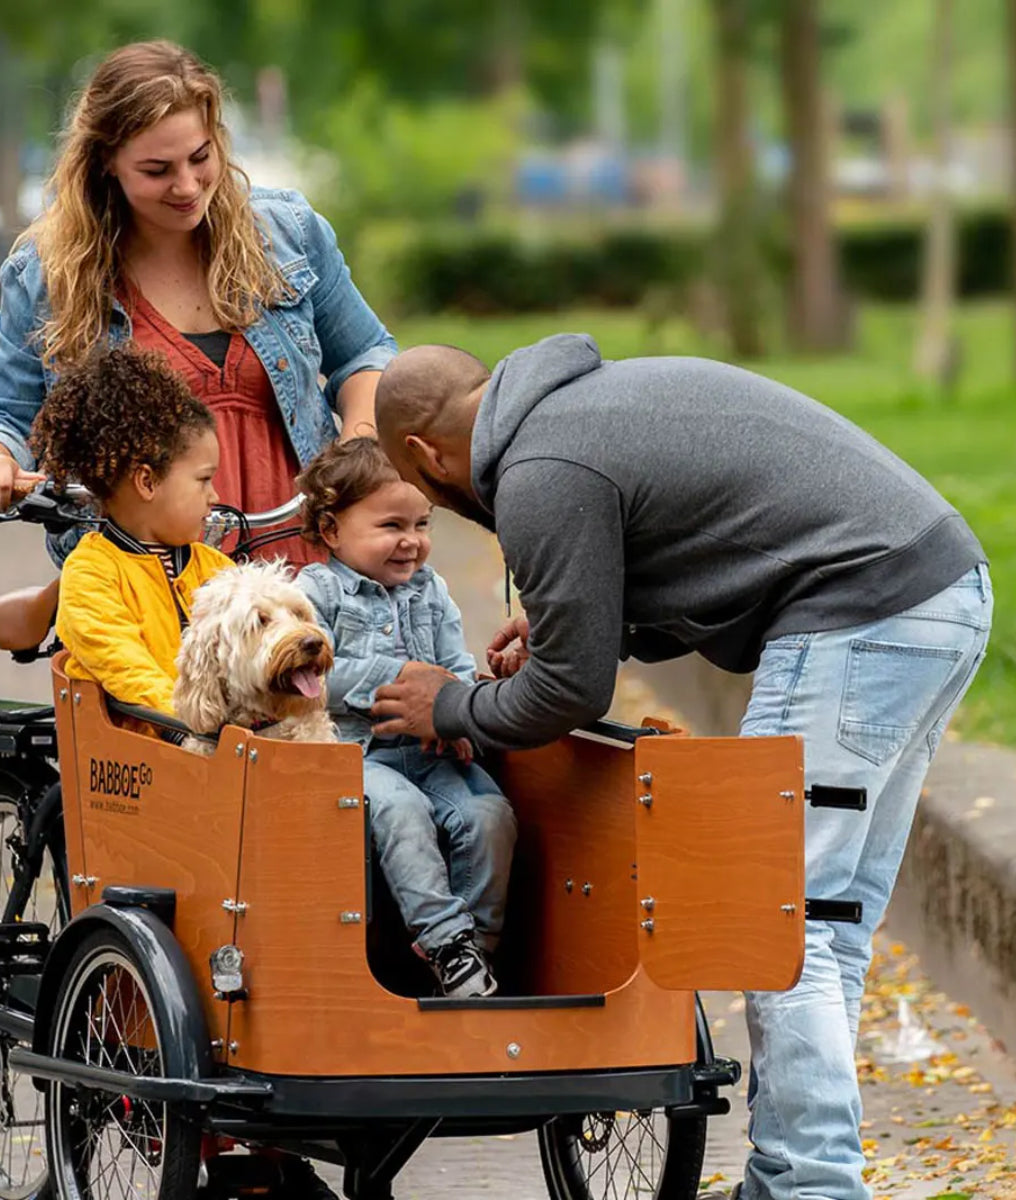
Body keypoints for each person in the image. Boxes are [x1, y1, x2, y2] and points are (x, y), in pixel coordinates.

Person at [368, 334, 991, 1200]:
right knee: (823, 920)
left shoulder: (541, 470)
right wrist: (577, 630)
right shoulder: (576, 410)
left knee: (772, 919)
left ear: (425, 456)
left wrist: (448, 705)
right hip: (940, 595)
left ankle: (812, 1187)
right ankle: (793, 1175)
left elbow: (570, 697)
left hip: (858, 612)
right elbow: (674, 569)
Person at [0, 39, 395, 567]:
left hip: (308, 570)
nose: (187, 186)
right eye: (157, 170)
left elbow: (367, 354)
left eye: (200, 158)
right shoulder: (47, 277)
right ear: (106, 163)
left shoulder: (287, 234)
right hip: (147, 584)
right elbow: (6, 413)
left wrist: (357, 446)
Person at [294, 438, 517, 998]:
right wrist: (399, 681)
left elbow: (455, 667)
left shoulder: (432, 591)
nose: (412, 542)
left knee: (491, 814)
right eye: (391, 525)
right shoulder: (315, 592)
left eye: (423, 523)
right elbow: (314, 676)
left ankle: (473, 953)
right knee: (402, 811)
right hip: (356, 753)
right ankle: (443, 939)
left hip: (432, 751)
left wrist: (460, 714)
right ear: (331, 531)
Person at [30, 344, 232, 716]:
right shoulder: (92, 574)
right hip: (138, 753)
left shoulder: (215, 569)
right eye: (204, 480)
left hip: (209, 752)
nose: (215, 496)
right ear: (147, 481)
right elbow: (126, 669)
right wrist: (194, 723)